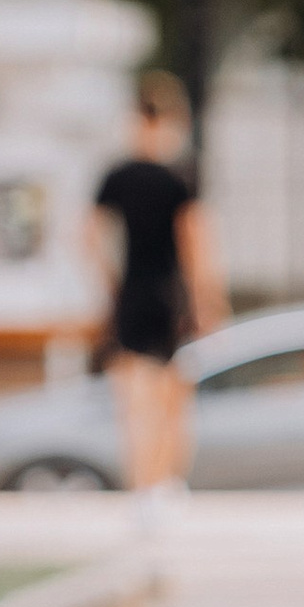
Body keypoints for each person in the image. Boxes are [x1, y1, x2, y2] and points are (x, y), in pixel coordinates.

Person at [92, 72, 225, 498]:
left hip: (131, 294)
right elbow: (196, 245)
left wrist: (111, 283)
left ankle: (140, 488)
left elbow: (87, 236)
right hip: (173, 298)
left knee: (133, 405)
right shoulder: (180, 175)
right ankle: (166, 484)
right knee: (173, 405)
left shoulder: (117, 175)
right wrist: (209, 304)